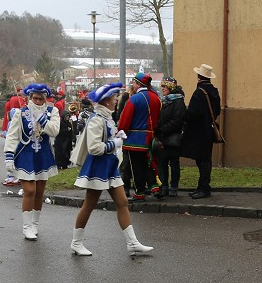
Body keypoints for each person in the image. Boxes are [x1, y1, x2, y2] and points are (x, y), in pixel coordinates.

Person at [69, 83, 153, 257]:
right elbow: (94, 148)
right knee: (89, 204)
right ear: (107, 101)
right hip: (97, 168)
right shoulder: (97, 119)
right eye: (115, 98)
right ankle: (76, 243)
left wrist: (117, 137)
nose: (117, 100)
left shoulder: (106, 118)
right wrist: (115, 143)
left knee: (122, 202)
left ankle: (132, 243)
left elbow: (105, 140)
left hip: (109, 166)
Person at [5, 83, 60, 240]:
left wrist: (42, 118)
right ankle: (26, 226)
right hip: (25, 155)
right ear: (29, 98)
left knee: (39, 192)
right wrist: (9, 156)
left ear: (44, 99)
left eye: (40, 99)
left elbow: (54, 131)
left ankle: (35, 224)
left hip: (43, 155)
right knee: (30, 190)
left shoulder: (52, 111)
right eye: (34, 98)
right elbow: (12, 135)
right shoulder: (21, 113)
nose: (37, 102)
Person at [117, 72, 162, 200]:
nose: (133, 85)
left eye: (134, 83)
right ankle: (154, 186)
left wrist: (120, 131)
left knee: (136, 167)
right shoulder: (156, 98)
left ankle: (139, 192)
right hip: (151, 137)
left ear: (138, 84)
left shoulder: (134, 99)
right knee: (149, 162)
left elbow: (124, 121)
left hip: (135, 139)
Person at [182, 63, 222, 199]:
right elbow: (217, 111)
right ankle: (203, 186)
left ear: (199, 77)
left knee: (202, 161)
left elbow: (191, 113)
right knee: (206, 159)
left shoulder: (199, 93)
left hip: (198, 131)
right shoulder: (214, 92)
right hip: (208, 130)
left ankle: (204, 188)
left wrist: (184, 119)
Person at [155, 77, 187, 198]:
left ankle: (173, 187)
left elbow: (177, 121)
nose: (162, 88)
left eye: (164, 86)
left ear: (171, 87)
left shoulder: (178, 102)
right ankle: (164, 186)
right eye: (161, 86)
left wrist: (162, 129)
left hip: (173, 138)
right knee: (162, 163)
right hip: (163, 138)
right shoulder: (164, 101)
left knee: (174, 164)